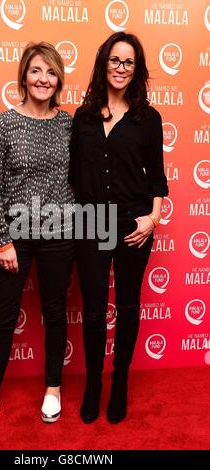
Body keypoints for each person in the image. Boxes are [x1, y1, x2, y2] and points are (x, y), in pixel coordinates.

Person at [0, 42, 75, 428]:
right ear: (24, 75)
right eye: (37, 70)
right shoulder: (1, 123)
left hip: (61, 231)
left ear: (58, 79)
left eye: (51, 72)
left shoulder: (69, 123)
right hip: (15, 234)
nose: (43, 79)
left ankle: (53, 388)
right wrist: (2, 238)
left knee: (55, 312)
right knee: (5, 316)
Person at [69, 32, 168, 424]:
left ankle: (120, 380)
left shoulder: (149, 118)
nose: (120, 68)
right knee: (93, 312)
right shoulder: (83, 116)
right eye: (114, 60)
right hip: (92, 221)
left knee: (127, 306)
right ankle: (94, 383)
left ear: (137, 68)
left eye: (128, 62)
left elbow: (157, 176)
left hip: (133, 223)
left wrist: (153, 217)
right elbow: (73, 174)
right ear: (103, 63)